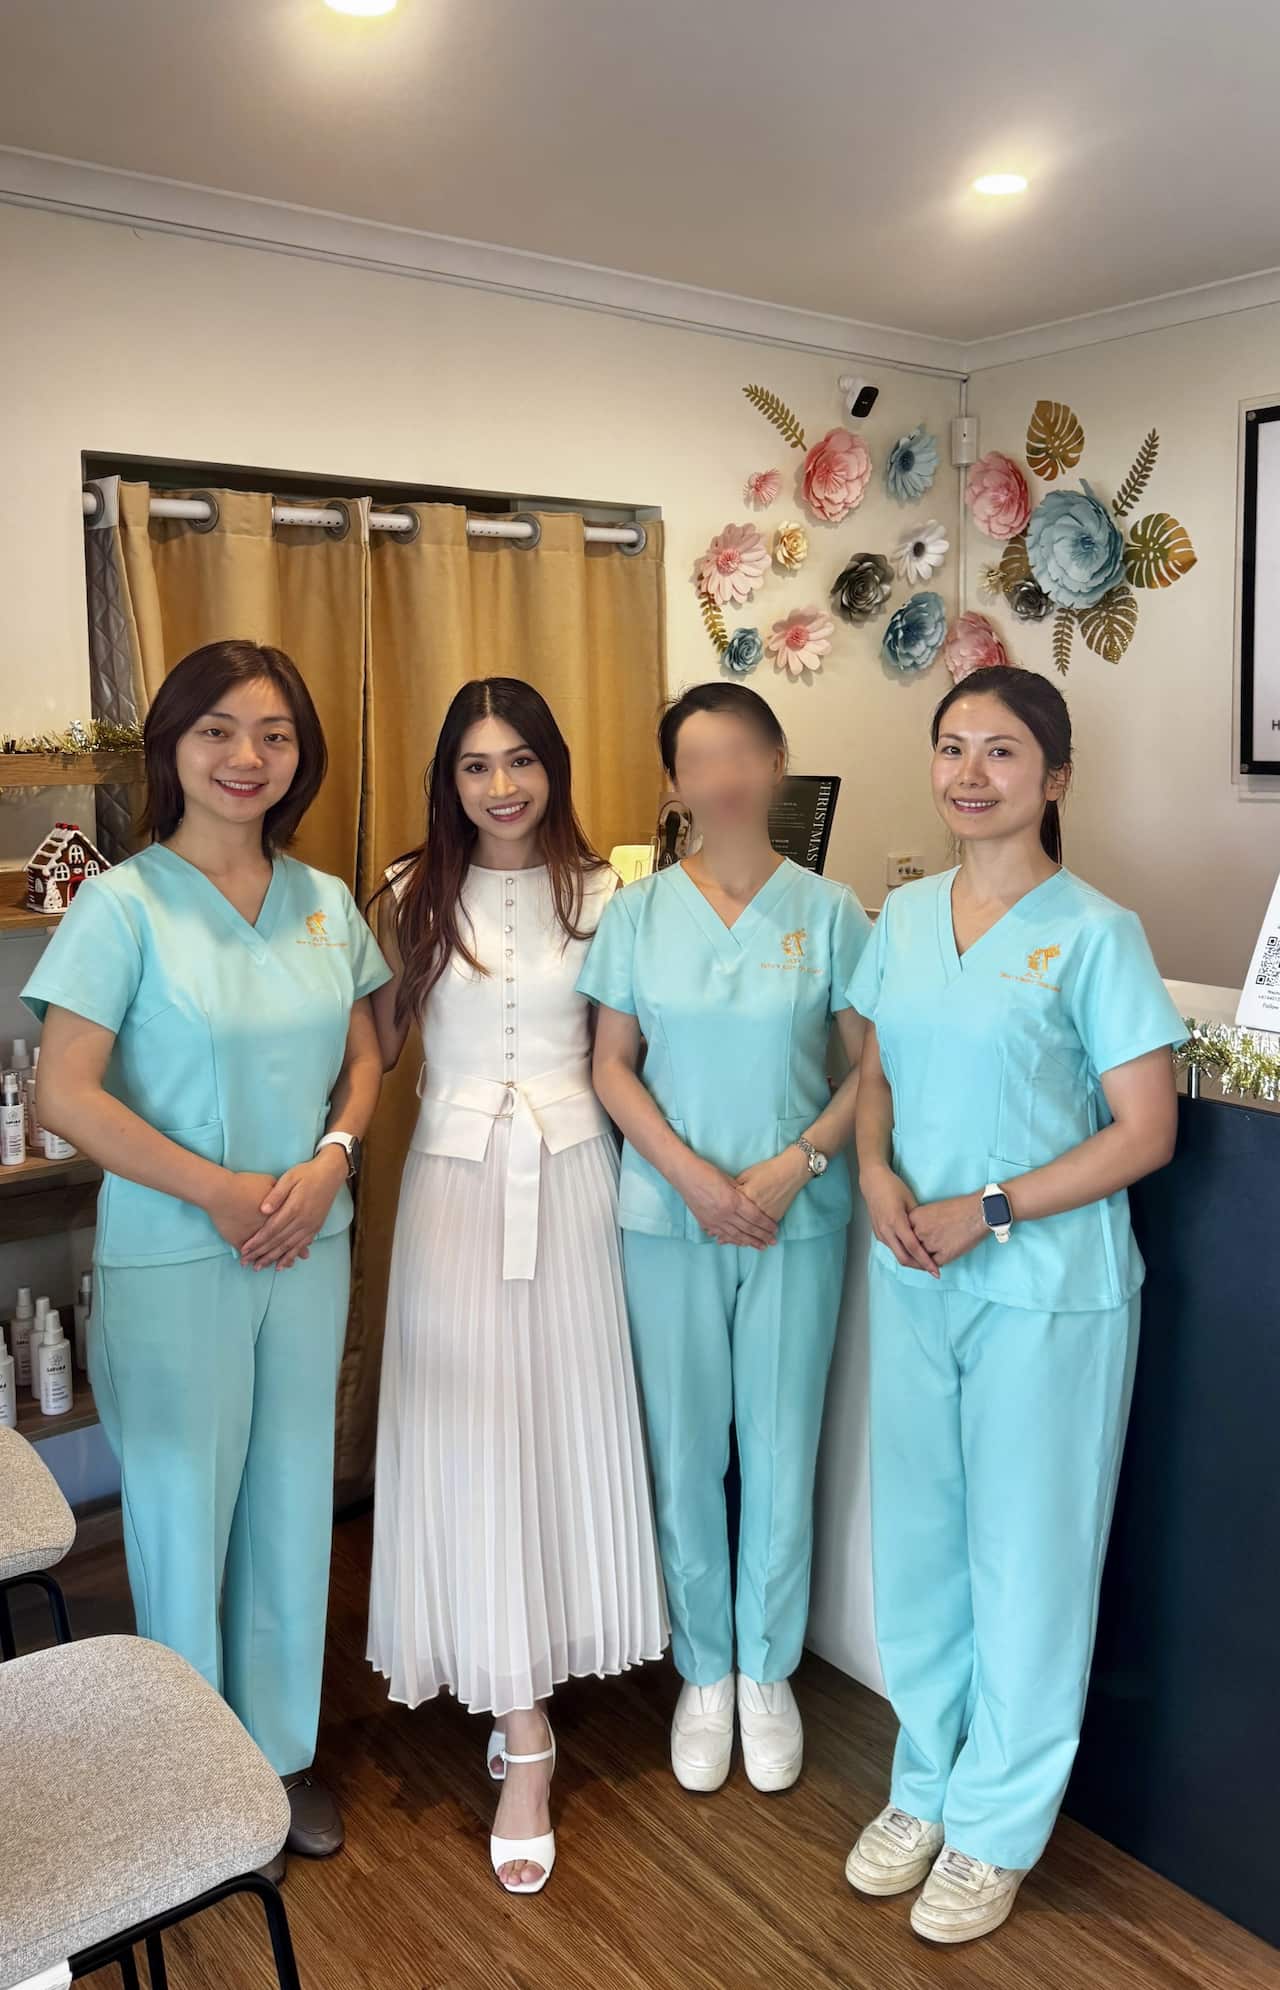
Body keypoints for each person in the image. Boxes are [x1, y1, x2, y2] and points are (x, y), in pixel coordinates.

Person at [25, 640, 388, 1881]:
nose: (248, 757)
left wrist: (332, 1157)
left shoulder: (328, 901)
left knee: (292, 1499)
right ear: (173, 746)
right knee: (183, 1514)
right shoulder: (122, 905)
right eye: (220, 731)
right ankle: (186, 1777)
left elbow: (366, 1061)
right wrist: (223, 1192)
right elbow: (70, 1095)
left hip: (308, 1244)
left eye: (276, 733)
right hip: (182, 1252)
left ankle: (277, 1764)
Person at [843, 664, 1186, 1945]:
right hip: (913, 1274)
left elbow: (1144, 1133)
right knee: (919, 1550)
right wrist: (875, 1173)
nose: (969, 774)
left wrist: (984, 1209)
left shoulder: (1094, 932)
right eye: (950, 748)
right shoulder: (903, 914)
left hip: (1047, 1292)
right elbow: (873, 1072)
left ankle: (992, 1827)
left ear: (1052, 776)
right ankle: (922, 1782)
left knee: (1027, 1566)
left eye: (999, 752)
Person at [366, 676, 667, 1896]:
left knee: (557, 1431)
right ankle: (520, 1724)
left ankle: (533, 1687)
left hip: (573, 1183)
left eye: (520, 760)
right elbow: (371, 1044)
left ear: (553, 766)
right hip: (448, 1192)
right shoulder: (402, 890)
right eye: (475, 765)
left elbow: (634, 1050)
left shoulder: (612, 895)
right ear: (449, 779)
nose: (500, 785)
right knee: (467, 1436)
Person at [580, 682, 870, 1798]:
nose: (725, 776)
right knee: (685, 1449)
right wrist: (694, 1178)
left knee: (784, 1447)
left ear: (776, 761)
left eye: (744, 752)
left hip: (796, 1218)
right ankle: (704, 1668)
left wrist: (795, 1163)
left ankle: (767, 1672)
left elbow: (867, 1070)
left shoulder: (830, 910)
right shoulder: (638, 912)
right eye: (700, 758)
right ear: (673, 783)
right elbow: (612, 1064)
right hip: (669, 1216)